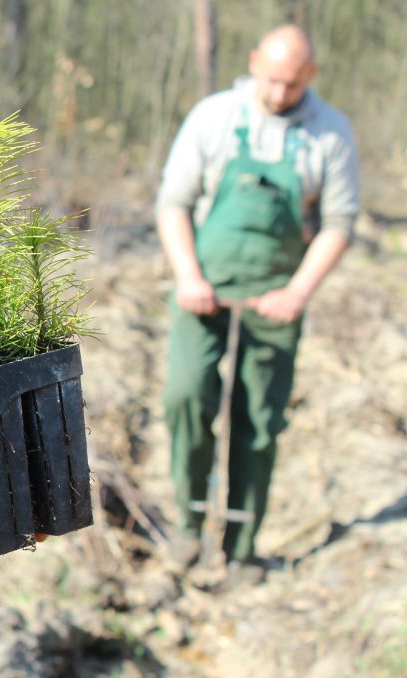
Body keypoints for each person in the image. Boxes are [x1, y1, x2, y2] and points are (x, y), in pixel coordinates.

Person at [156, 24, 359, 565]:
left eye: (291, 85)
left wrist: (297, 292)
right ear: (253, 64)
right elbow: (173, 203)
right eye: (270, 80)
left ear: (310, 76)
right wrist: (189, 277)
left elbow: (339, 224)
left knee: (260, 421)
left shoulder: (331, 133)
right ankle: (188, 523)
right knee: (186, 397)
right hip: (204, 290)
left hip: (275, 301)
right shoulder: (214, 117)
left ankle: (242, 544)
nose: (277, 94)